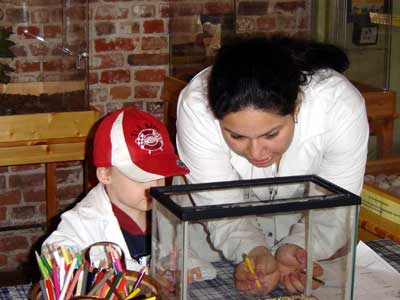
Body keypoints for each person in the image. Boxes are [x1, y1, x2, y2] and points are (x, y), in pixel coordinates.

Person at [174, 35, 369, 294]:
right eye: (236, 136)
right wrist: (252, 250)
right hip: (210, 230)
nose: (256, 152)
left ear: (296, 107)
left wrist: (300, 246)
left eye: (271, 134)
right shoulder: (197, 105)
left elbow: (336, 205)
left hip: (300, 218)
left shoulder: (339, 105)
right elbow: (217, 204)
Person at [42, 108, 189, 271]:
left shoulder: (164, 212)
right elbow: (52, 255)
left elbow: (181, 255)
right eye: (141, 177)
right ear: (105, 175)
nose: (155, 185)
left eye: (161, 175)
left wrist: (182, 268)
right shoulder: (83, 221)